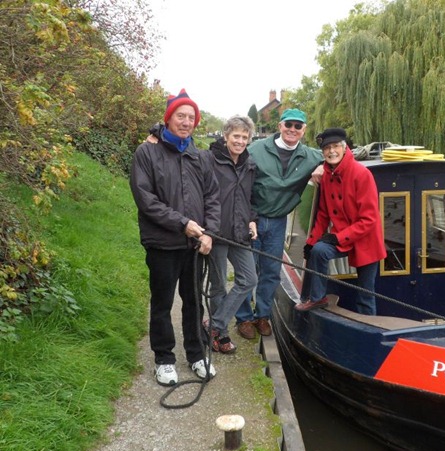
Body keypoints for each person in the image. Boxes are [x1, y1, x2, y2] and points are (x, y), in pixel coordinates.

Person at [129, 89, 220, 386]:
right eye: (180, 116)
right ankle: (164, 358)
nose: (186, 122)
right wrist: (183, 224)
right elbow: (145, 199)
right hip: (162, 244)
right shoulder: (147, 152)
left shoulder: (201, 156)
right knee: (163, 303)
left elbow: (213, 198)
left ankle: (195, 355)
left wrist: (210, 235)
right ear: (168, 119)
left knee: (194, 302)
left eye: (191, 117)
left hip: (194, 247)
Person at [234, 109, 324, 339]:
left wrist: (323, 168)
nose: (292, 129)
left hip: (277, 222)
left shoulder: (311, 156)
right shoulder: (255, 150)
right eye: (288, 125)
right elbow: (238, 182)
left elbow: (340, 156)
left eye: (298, 126)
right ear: (280, 125)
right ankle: (243, 318)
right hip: (251, 219)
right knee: (246, 272)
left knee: (272, 271)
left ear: (304, 130)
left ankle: (262, 315)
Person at [295, 127, 387, 315]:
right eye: (327, 148)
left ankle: (369, 330)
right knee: (318, 251)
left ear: (345, 148)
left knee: (366, 293)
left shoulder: (362, 174)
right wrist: (311, 243)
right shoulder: (327, 176)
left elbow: (369, 220)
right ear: (323, 153)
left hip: (365, 240)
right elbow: (323, 214)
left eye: (336, 146)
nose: (332, 151)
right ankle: (317, 298)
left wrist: (337, 238)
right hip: (343, 239)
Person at [204, 115, 258, 354]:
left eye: (245, 137)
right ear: (226, 136)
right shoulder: (209, 159)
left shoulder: (249, 164)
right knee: (218, 286)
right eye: (236, 136)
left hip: (240, 232)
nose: (240, 141)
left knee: (249, 279)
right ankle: (221, 336)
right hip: (216, 232)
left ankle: (214, 325)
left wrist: (252, 220)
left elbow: (249, 198)